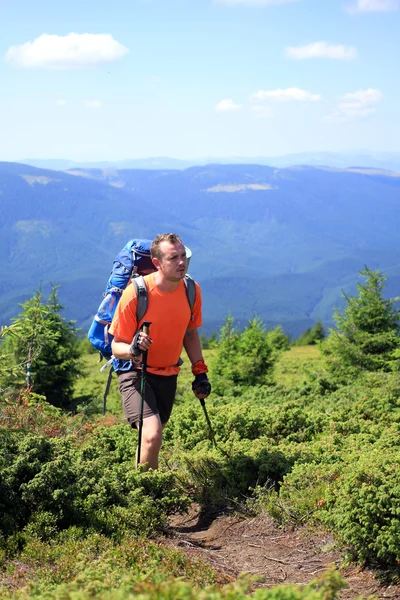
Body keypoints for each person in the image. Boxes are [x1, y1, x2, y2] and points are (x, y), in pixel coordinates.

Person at [109, 232, 211, 469]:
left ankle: (137, 482)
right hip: (135, 372)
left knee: (150, 437)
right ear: (156, 263)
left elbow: (190, 333)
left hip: (168, 373)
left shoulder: (191, 291)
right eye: (173, 257)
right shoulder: (136, 292)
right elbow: (116, 346)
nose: (182, 262)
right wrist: (134, 348)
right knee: (152, 434)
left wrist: (200, 372)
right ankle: (149, 496)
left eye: (183, 255)